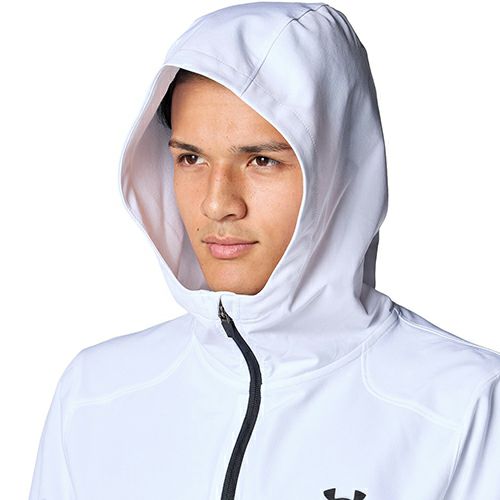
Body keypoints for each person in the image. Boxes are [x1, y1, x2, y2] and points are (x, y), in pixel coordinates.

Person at [28, 3, 500, 500]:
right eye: (191, 158)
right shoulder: (96, 393)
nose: (217, 204)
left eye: (261, 160)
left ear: (340, 170)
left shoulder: (463, 404)